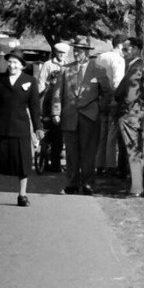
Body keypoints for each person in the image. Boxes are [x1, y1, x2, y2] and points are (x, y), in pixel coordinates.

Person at [0, 49, 43, 206]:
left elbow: (35, 108)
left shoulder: (30, 81)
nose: (12, 65)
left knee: (23, 164)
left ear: (22, 65)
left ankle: (22, 195)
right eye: (10, 62)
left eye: (15, 63)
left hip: (20, 128)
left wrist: (38, 128)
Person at [51, 36, 112, 195]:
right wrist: (56, 112)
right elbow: (57, 93)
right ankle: (71, 183)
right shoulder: (66, 70)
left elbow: (107, 93)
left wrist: (100, 108)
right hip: (70, 117)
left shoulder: (98, 70)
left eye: (79, 51)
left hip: (90, 117)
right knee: (71, 153)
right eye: (75, 51)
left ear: (86, 52)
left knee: (89, 153)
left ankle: (87, 184)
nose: (76, 54)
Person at [115, 36, 144, 198]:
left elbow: (131, 93)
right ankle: (138, 185)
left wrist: (124, 109)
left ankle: (137, 188)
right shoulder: (134, 66)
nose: (123, 53)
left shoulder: (136, 67)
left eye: (126, 49)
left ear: (136, 49)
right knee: (135, 151)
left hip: (131, 114)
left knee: (133, 151)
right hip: (134, 113)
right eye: (122, 49)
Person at [35, 42, 70, 173]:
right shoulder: (48, 65)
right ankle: (44, 155)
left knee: (58, 136)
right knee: (48, 130)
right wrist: (41, 101)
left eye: (64, 53)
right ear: (55, 53)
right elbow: (41, 83)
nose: (62, 56)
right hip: (48, 100)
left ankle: (55, 163)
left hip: (62, 102)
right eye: (60, 53)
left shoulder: (67, 65)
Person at [95, 33, 127, 175]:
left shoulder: (100, 57)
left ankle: (99, 162)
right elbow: (117, 82)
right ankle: (110, 164)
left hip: (100, 97)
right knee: (111, 132)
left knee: (101, 132)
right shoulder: (118, 60)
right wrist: (118, 99)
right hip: (112, 97)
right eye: (125, 47)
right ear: (120, 46)